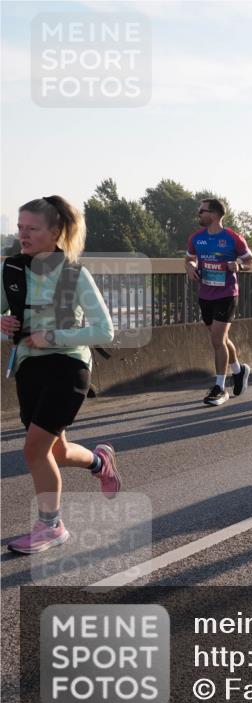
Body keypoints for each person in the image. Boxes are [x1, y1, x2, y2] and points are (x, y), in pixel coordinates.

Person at [2, 196, 121, 554]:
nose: (23, 235)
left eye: (32, 229)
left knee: (34, 448)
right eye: (20, 227)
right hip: (28, 368)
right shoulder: (10, 272)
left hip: (69, 367)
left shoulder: (73, 274)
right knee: (58, 449)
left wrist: (52, 336)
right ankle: (100, 462)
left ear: (54, 233)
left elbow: (105, 331)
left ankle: (51, 525)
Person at [186, 198, 252, 406]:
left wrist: (239, 266)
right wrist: (190, 267)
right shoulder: (196, 238)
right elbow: (189, 259)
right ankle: (239, 370)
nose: (199, 214)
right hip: (205, 294)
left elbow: (251, 261)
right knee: (222, 340)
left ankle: (219, 387)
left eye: (202, 211)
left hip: (226, 294)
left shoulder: (233, 238)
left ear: (214, 214)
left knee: (217, 340)